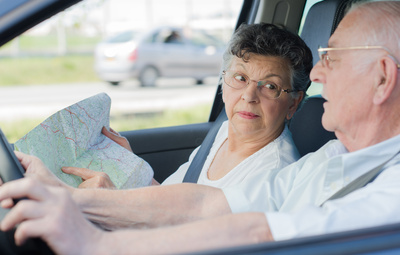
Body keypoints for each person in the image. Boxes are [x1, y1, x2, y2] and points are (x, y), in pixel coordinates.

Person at [2, 1, 400, 254]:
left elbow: (262, 233)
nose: (317, 72)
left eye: (333, 57)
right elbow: (206, 204)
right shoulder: (333, 158)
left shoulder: (391, 189)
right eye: (239, 78)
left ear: (382, 77)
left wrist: (95, 244)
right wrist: (65, 199)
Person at [61, 22, 312, 193]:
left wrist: (113, 201)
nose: (249, 96)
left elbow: (190, 239)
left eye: (270, 86)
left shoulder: (274, 178)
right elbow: (173, 201)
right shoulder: (225, 131)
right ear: (223, 80)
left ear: (293, 103)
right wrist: (128, 170)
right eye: (240, 78)